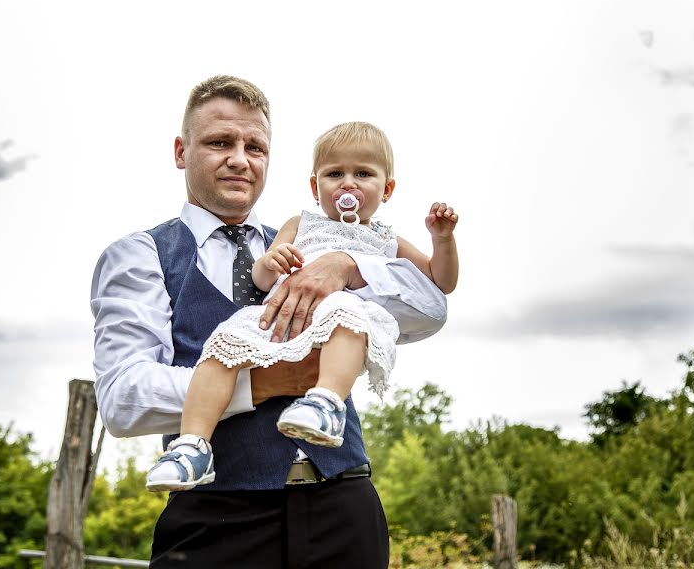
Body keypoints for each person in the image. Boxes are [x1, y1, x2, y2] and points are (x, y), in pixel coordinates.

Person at [91, 75, 448, 568]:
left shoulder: (314, 241)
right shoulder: (141, 255)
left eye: (255, 147)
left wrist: (348, 266)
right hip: (219, 518)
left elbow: (430, 308)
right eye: (220, 142)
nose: (241, 158)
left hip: (344, 505)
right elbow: (123, 399)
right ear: (181, 151)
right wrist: (262, 383)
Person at [144, 121, 459, 492]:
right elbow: (261, 280)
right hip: (282, 320)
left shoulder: (387, 239)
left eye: (363, 173)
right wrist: (271, 262)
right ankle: (192, 447)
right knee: (221, 348)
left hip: (340, 320)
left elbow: (440, 283)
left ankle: (325, 402)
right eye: (334, 173)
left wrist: (443, 240)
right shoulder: (299, 224)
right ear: (315, 186)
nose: (348, 183)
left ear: (387, 188)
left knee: (347, 316)